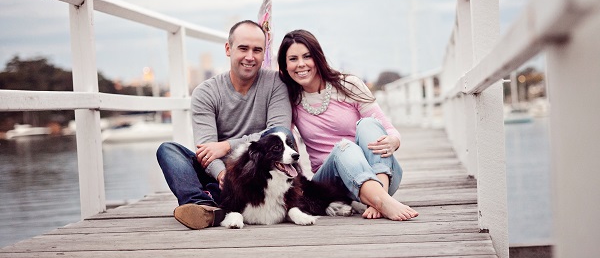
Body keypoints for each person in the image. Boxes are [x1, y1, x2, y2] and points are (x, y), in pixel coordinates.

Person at [157, 20, 293, 230]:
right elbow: (206, 150)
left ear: (264, 53)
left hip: (259, 176)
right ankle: (204, 206)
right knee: (168, 151)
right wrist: (225, 176)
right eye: (243, 48)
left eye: (257, 50)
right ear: (228, 49)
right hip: (220, 175)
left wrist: (228, 145)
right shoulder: (206, 92)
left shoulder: (276, 83)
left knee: (280, 133)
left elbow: (279, 133)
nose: (250, 57)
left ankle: (215, 205)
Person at [277, 29, 419, 221]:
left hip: (379, 175)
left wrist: (394, 140)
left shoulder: (348, 84)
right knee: (345, 147)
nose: (301, 64)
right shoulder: (290, 99)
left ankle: (379, 198)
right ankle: (381, 201)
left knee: (369, 123)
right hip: (330, 186)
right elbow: (283, 138)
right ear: (285, 66)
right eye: (293, 59)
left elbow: (388, 128)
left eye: (307, 56)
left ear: (318, 57)